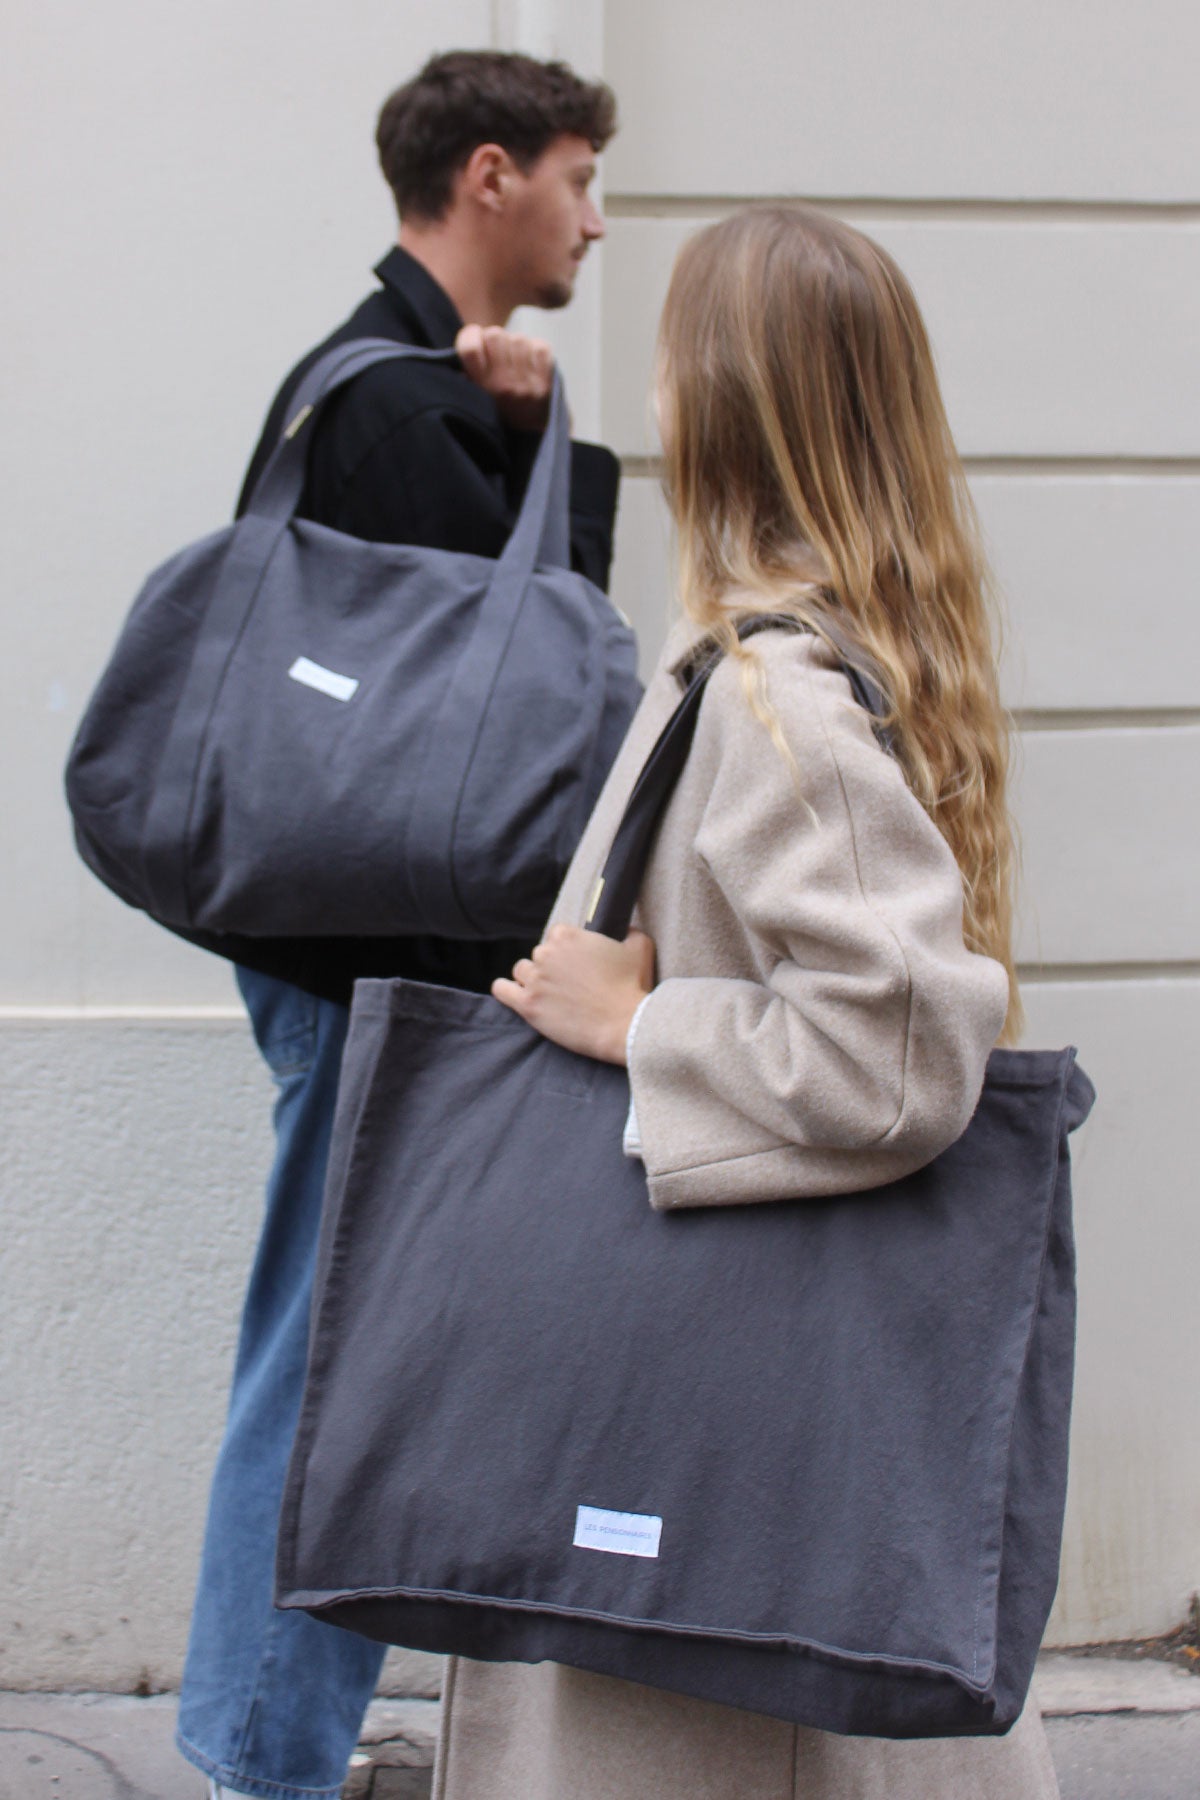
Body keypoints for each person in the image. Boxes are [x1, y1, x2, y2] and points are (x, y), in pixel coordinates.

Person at [435, 203, 1061, 1796]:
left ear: (712, 394)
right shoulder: (815, 659)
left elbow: (906, 1046)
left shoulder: (776, 689)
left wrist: (634, 1024)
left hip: (716, 1454)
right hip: (755, 1441)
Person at [174, 51, 620, 1800]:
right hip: (373, 971)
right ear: (490, 176)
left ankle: (278, 1742)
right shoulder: (394, 407)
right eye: (581, 178)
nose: (596, 217)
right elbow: (528, 691)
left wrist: (517, 435)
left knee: (338, 1356)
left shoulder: (390, 391)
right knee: (328, 1368)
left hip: (348, 961)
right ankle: (264, 1760)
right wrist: (532, 455)